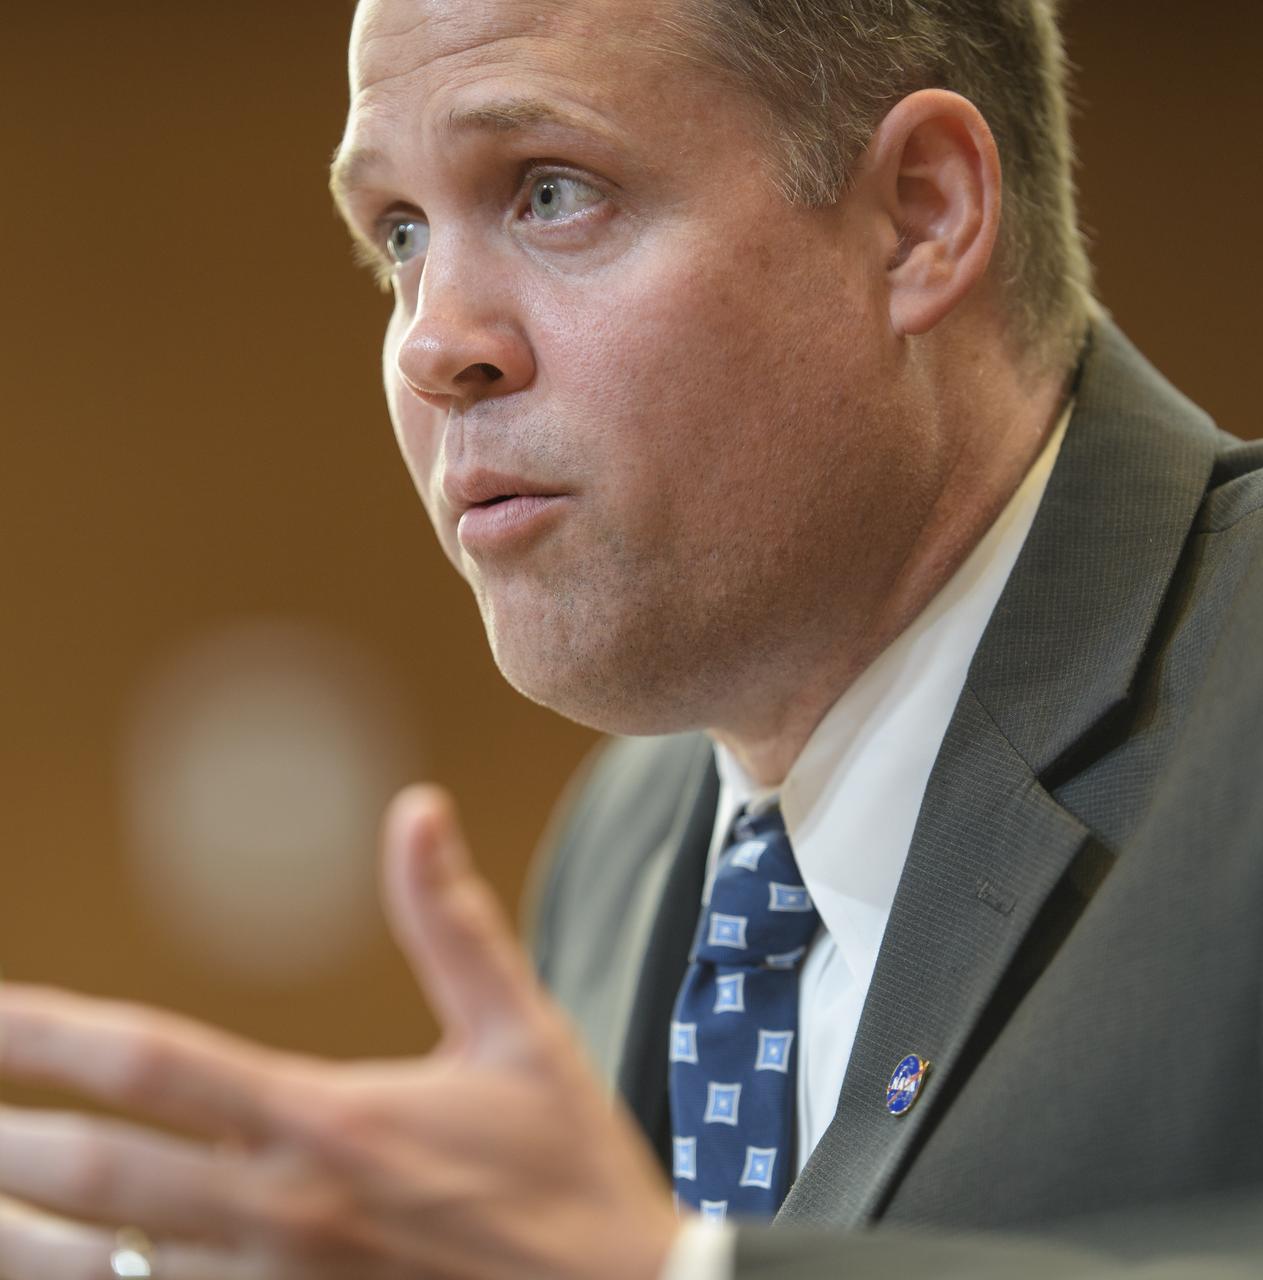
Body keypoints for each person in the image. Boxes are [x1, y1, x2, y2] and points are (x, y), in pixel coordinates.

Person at [0, 0, 1260, 1277]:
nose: (435, 343)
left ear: (919, 214)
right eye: (399, 235)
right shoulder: (625, 840)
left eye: (550, 192)